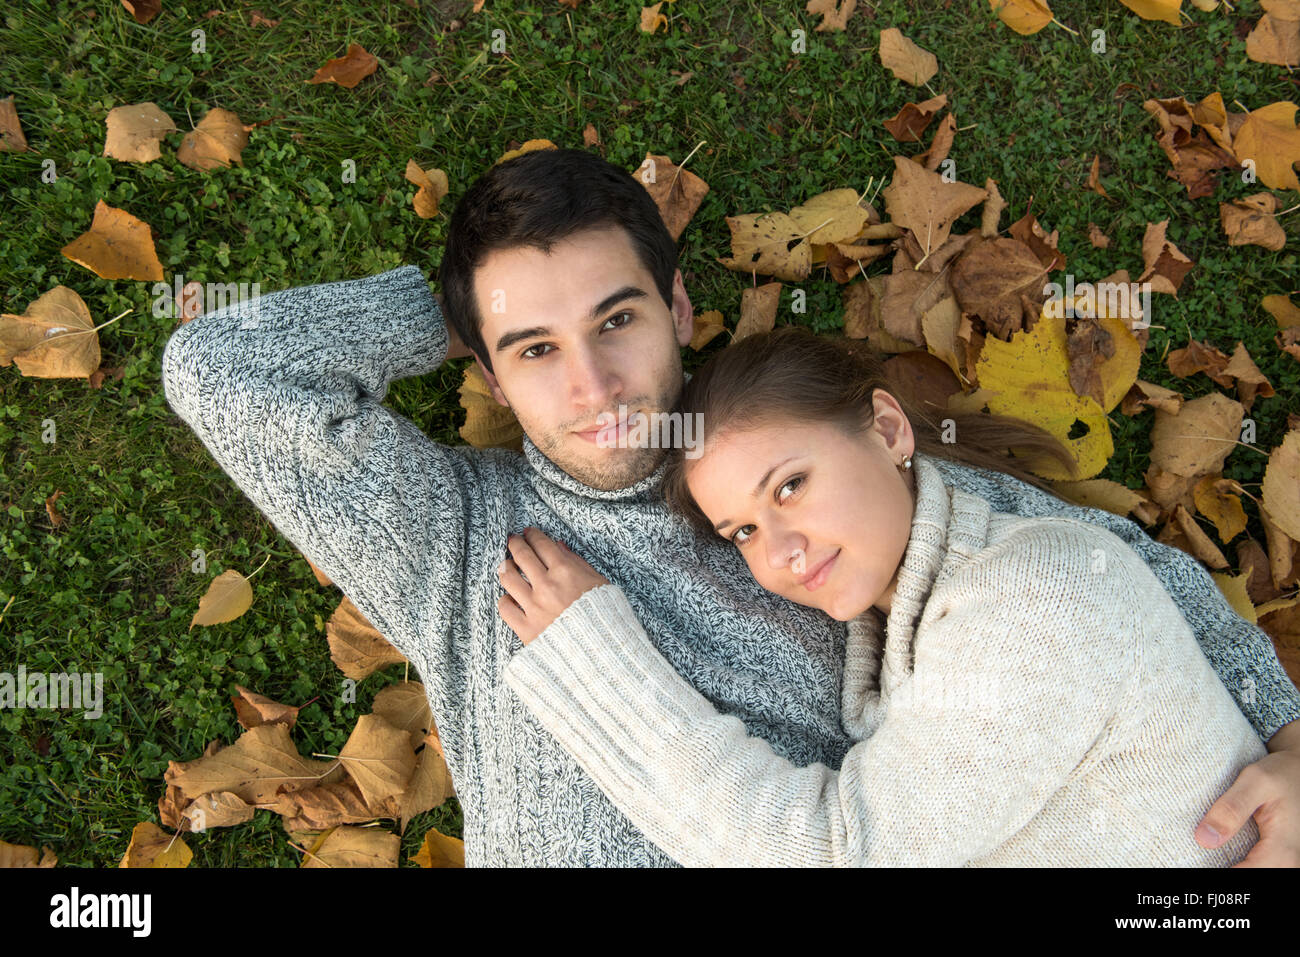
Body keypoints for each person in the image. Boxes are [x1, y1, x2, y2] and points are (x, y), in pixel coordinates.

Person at [160, 147, 1300, 866]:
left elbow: (1115, 576)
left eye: (615, 321)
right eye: (535, 350)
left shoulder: (804, 467)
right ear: (491, 371)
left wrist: (1293, 742)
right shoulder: (455, 537)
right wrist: (462, 301)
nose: (593, 388)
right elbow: (223, 374)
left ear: (679, 307)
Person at [496, 327, 1284, 866]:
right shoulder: (929, 608)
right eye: (742, 532)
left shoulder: (1031, 599)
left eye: (792, 486)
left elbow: (842, 851)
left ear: (888, 429)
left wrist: (600, 661)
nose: (781, 551)